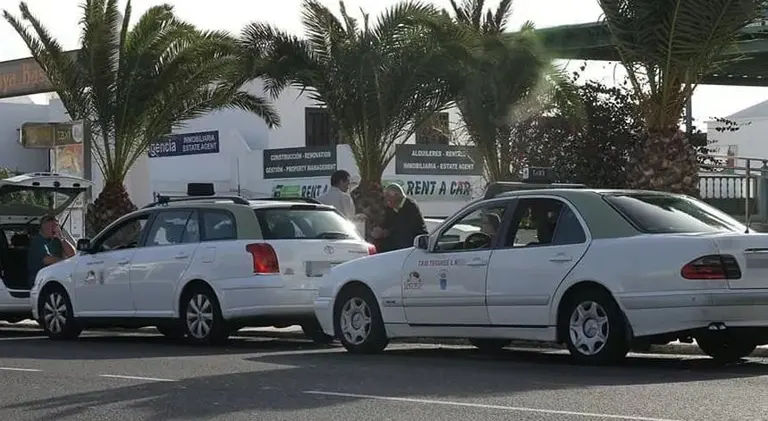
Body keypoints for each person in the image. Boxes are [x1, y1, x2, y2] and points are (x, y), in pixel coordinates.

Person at [371, 183, 427, 252]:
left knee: (400, 240)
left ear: (396, 196)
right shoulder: (390, 208)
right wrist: (379, 229)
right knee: (379, 243)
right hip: (396, 238)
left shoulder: (410, 206)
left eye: (387, 196)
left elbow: (404, 228)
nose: (386, 200)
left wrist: (386, 233)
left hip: (412, 240)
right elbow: (386, 222)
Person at [27, 215, 75, 288]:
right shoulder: (38, 241)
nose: (54, 229)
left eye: (56, 226)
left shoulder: (57, 241)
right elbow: (47, 260)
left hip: (56, 277)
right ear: (43, 227)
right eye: (52, 226)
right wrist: (66, 262)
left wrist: (61, 238)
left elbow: (72, 254)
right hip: (40, 279)